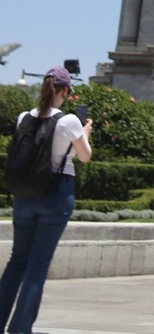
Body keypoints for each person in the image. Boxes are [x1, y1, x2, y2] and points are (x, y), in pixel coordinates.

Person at [0, 67, 92, 334]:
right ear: (64, 91)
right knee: (37, 265)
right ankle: (20, 329)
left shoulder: (23, 117)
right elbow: (84, 156)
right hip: (56, 192)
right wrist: (85, 131)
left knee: (17, 260)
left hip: (24, 194)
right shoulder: (69, 121)